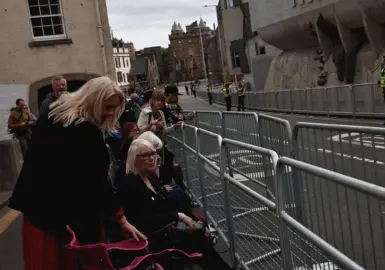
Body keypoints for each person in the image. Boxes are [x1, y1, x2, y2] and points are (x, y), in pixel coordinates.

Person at [9, 76, 146, 270]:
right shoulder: (87, 132)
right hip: (65, 224)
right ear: (93, 101)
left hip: (37, 215)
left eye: (114, 109)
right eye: (107, 107)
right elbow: (99, 184)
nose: (110, 114)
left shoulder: (52, 116)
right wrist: (121, 218)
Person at [119, 139, 233, 269]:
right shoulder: (129, 185)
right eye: (145, 155)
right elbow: (144, 221)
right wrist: (179, 216)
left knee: (200, 239)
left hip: (166, 230)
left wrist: (185, 218)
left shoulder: (150, 177)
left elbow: (165, 205)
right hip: (154, 239)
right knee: (199, 242)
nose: (151, 158)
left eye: (153, 154)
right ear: (134, 158)